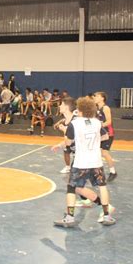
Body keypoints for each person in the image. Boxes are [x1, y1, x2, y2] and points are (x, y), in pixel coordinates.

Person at [52, 97, 116, 227]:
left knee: (71, 187)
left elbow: (69, 143)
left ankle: (69, 217)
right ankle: (107, 215)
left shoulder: (74, 124)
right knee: (102, 186)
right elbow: (105, 136)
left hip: (81, 162)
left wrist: (64, 131)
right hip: (96, 161)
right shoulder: (97, 123)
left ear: (79, 110)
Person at [94, 92, 117, 182]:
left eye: (97, 96)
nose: (95, 97)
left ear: (102, 98)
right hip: (100, 133)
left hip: (108, 133)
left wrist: (99, 125)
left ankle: (113, 172)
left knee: (104, 153)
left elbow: (109, 122)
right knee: (96, 153)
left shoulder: (105, 108)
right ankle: (96, 172)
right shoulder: (96, 108)